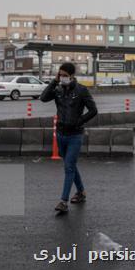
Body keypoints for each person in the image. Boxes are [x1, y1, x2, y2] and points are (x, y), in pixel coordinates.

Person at [40, 62, 97, 213]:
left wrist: (79, 122)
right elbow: (43, 98)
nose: (62, 77)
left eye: (65, 75)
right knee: (70, 165)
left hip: (75, 136)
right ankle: (81, 192)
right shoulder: (58, 90)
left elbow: (93, 110)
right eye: (60, 75)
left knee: (69, 167)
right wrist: (54, 81)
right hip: (60, 134)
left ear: (72, 76)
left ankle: (63, 202)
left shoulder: (81, 90)